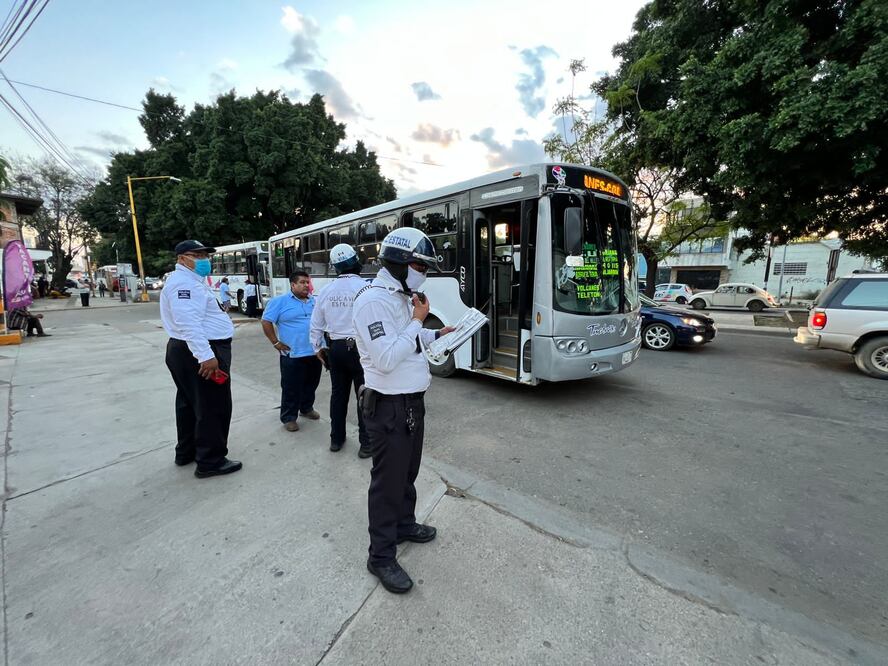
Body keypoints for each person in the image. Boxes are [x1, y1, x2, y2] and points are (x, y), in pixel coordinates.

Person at [352, 227, 454, 594]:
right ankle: (380, 556)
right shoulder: (373, 301)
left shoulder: (401, 296)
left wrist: (437, 334)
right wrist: (417, 321)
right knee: (387, 484)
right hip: (389, 406)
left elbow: (408, 342)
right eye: (417, 264)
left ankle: (404, 525)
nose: (422, 271)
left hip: (411, 403)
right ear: (395, 262)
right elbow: (387, 357)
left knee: (407, 473)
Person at [160, 240, 242, 479]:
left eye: (205, 255)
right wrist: (206, 357)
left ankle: (187, 451)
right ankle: (211, 461)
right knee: (213, 406)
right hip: (199, 352)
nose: (204, 260)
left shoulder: (191, 281)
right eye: (197, 255)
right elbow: (188, 323)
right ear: (182, 258)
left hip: (189, 350)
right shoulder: (184, 284)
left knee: (189, 403)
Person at [309, 243, 371, 456]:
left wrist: (317, 347)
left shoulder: (326, 290)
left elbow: (316, 324)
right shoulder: (366, 287)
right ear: (356, 262)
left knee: (338, 395)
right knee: (364, 396)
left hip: (335, 348)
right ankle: (366, 444)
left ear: (335, 267)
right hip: (361, 349)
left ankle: (336, 439)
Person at [261, 270, 322, 432]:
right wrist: (275, 342)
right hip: (292, 354)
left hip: (315, 352)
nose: (305, 285)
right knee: (291, 387)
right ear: (293, 285)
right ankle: (289, 417)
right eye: (302, 282)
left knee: (311, 384)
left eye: (307, 282)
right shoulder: (279, 302)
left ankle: (306, 408)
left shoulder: (314, 301)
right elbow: (266, 321)